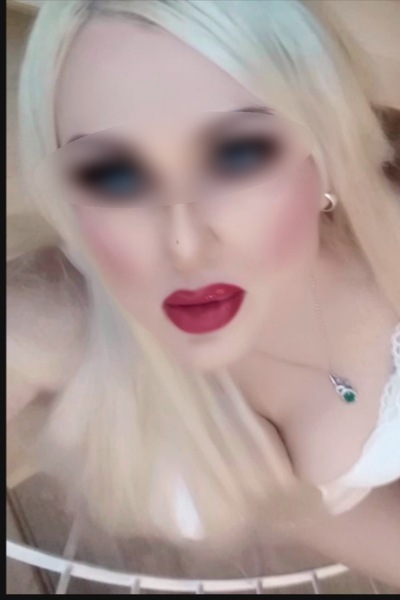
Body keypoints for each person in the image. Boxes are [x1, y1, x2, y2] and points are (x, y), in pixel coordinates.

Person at [7, 0, 400, 586]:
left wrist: (300, 509)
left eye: (238, 154)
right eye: (112, 174)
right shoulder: (50, 320)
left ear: (325, 156)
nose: (184, 244)